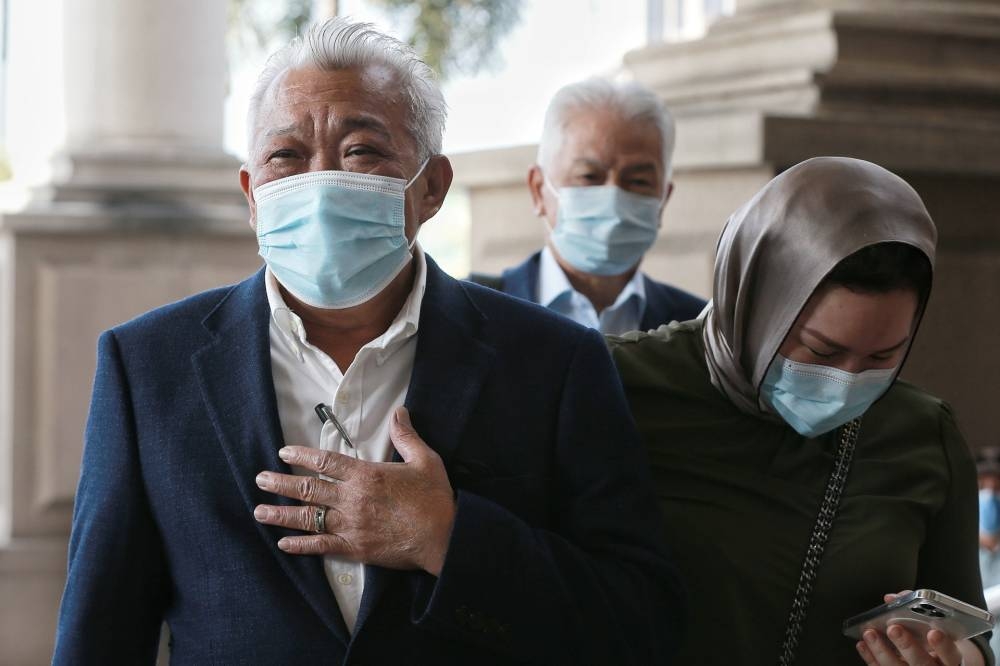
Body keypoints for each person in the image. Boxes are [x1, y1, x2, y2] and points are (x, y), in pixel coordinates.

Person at [52, 19, 682, 665]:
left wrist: (449, 538)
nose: (321, 182)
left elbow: (639, 619)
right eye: (286, 157)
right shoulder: (150, 366)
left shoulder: (555, 361)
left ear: (431, 186)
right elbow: (101, 632)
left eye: (360, 152)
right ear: (251, 195)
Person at [608, 156, 991, 665]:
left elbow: (970, 630)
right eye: (821, 351)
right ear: (756, 303)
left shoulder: (922, 434)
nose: (847, 381)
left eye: (883, 356)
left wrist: (955, 657)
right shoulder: (619, 387)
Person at [475, 77, 704, 334]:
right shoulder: (466, 314)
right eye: (589, 176)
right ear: (538, 189)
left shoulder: (704, 332)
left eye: (638, 181)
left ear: (663, 199)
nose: (614, 196)